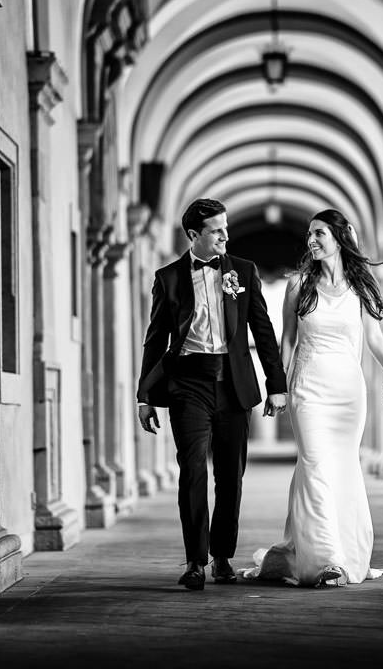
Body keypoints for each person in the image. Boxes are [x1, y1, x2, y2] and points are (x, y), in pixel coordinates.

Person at [135, 198, 287, 591]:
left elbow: (263, 331)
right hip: (188, 384)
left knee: (230, 476)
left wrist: (276, 385)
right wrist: (144, 395)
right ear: (193, 235)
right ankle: (194, 562)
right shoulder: (168, 278)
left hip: (234, 384)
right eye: (216, 230)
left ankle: (222, 555)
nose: (225, 236)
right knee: (192, 471)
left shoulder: (243, 271)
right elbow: (155, 340)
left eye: (225, 228)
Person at [244, 209, 383, 587]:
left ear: (340, 237)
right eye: (309, 234)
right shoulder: (299, 284)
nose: (311, 240)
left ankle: (340, 550)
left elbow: (374, 339)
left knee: (342, 468)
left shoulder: (360, 286)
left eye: (319, 233)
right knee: (314, 464)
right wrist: (277, 386)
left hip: (348, 393)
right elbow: (288, 339)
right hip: (308, 389)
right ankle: (328, 560)